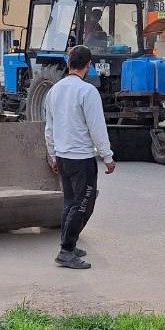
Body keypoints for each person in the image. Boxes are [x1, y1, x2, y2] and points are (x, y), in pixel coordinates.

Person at [44, 45, 115, 269]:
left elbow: (49, 127)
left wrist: (53, 154)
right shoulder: (87, 92)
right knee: (83, 204)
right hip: (82, 158)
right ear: (89, 65)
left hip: (64, 158)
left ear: (68, 63)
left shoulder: (54, 91)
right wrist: (108, 156)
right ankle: (66, 251)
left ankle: (69, 243)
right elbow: (97, 128)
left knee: (70, 203)